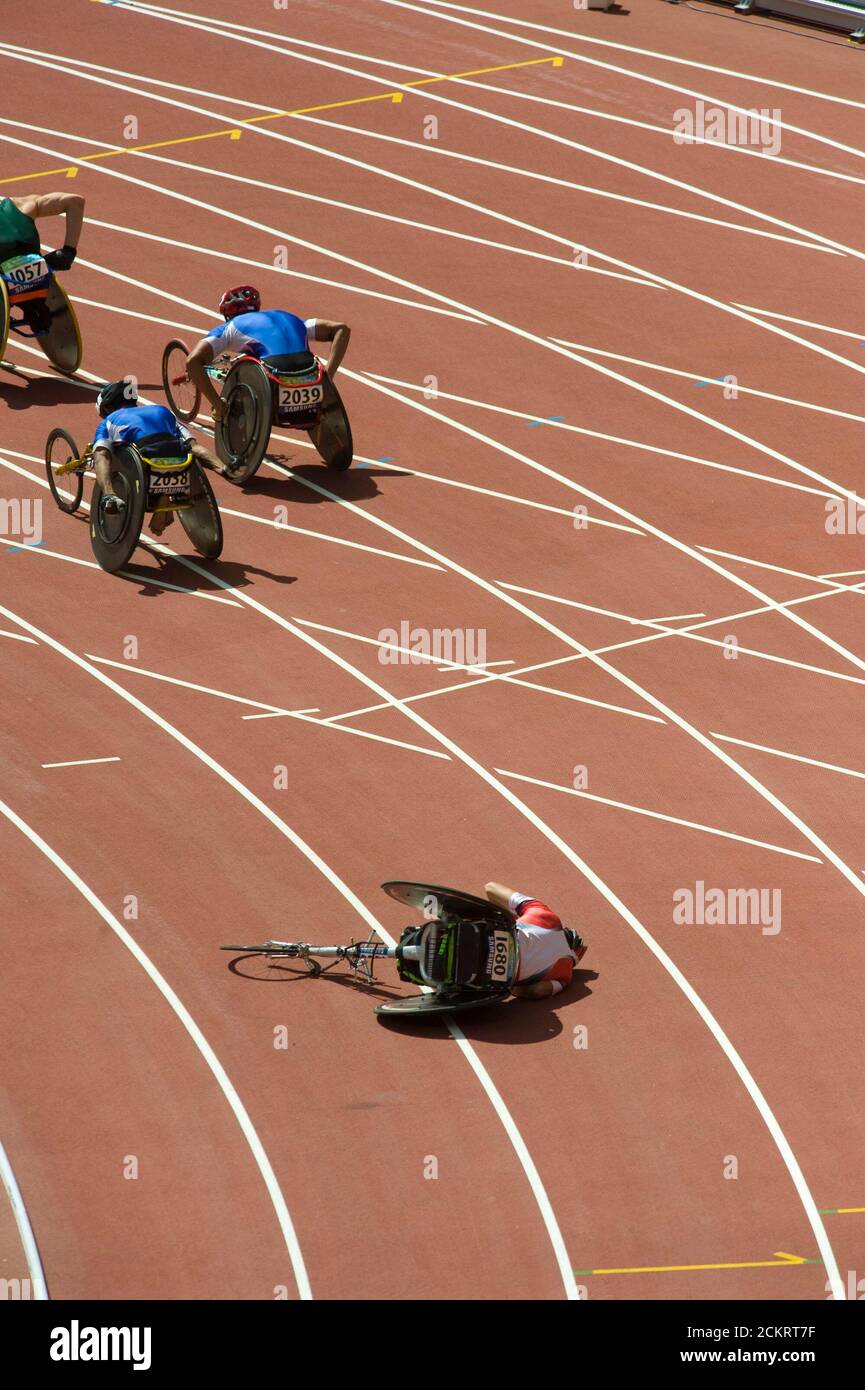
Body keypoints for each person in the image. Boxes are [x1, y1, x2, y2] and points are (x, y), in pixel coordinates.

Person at [185, 284, 350, 422]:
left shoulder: (230, 327)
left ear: (228, 314)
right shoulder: (286, 316)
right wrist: (328, 375)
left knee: (243, 367)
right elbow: (341, 329)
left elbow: (193, 361)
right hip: (309, 371)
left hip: (275, 376)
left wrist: (218, 404)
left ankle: (224, 409)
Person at [92, 378, 223, 537]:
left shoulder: (110, 421)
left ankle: (109, 496)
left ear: (106, 408)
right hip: (179, 461)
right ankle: (224, 468)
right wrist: (220, 466)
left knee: (101, 454)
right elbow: (193, 445)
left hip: (147, 464)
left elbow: (102, 451)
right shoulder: (163, 411)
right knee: (186, 449)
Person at [485, 882, 586, 1000]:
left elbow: (490, 888)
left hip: (485, 934)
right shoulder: (565, 975)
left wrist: (511, 917)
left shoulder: (545, 915)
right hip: (491, 976)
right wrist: (513, 988)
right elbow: (537, 990)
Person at [0, 193, 84, 334]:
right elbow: (75, 201)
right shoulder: (24, 205)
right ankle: (35, 308)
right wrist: (68, 251)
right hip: (39, 282)